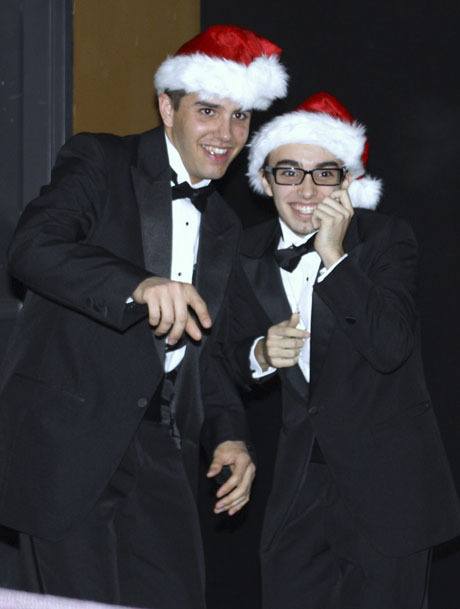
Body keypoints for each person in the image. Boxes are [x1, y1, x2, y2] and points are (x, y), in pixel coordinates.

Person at [0, 25, 288, 609]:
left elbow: (207, 355)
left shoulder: (226, 225)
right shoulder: (100, 159)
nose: (226, 134)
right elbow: (32, 248)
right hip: (70, 447)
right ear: (167, 107)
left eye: (241, 118)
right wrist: (136, 284)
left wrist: (230, 436)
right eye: (209, 111)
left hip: (162, 450)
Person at [225, 91, 460, 609]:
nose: (306, 189)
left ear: (347, 181)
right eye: (288, 172)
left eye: (323, 173)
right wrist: (260, 353)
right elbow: (227, 353)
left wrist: (334, 257)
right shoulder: (243, 253)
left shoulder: (386, 239)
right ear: (264, 181)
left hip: (388, 493)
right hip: (297, 491)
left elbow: (391, 346)